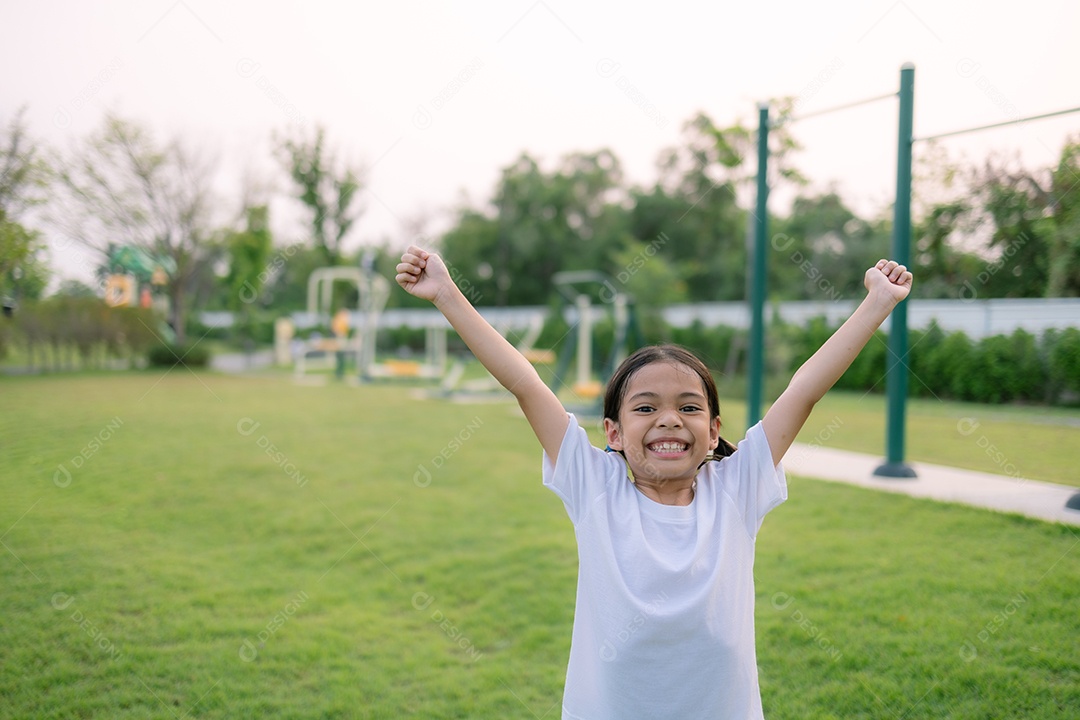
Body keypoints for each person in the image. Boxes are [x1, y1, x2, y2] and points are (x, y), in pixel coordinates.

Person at [396, 246, 913, 719]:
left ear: (713, 432)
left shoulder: (737, 487)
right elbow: (524, 381)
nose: (669, 419)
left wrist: (878, 304)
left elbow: (804, 390)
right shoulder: (594, 485)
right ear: (614, 433)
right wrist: (446, 293)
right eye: (646, 408)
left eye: (689, 408)